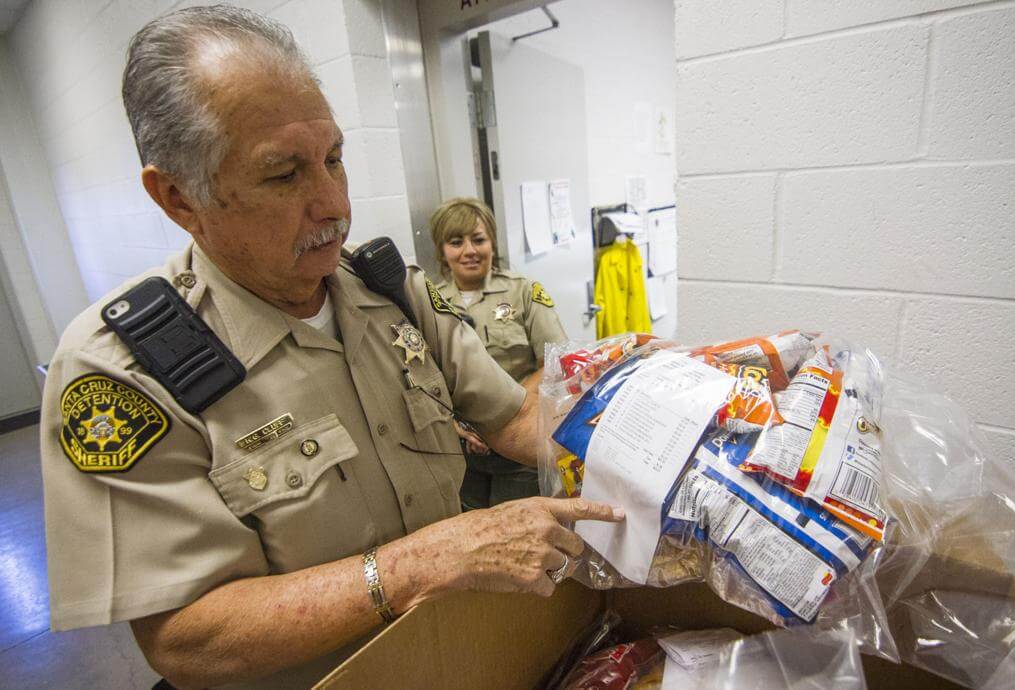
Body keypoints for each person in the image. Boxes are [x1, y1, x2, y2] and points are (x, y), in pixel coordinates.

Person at [38, 7, 623, 689]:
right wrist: (419, 563)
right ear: (179, 197)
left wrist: (664, 427)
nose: (332, 203)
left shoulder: (388, 290)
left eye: (334, 159)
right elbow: (187, 640)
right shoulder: (123, 371)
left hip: (461, 658)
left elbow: (515, 419)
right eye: (283, 175)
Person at [430, 198, 568, 509]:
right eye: (456, 242)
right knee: (473, 537)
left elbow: (555, 360)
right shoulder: (429, 303)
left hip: (518, 447)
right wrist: (458, 426)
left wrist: (503, 408)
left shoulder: (522, 291)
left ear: (492, 243)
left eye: (478, 240)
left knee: (524, 535)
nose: (469, 251)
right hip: (460, 453)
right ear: (442, 251)